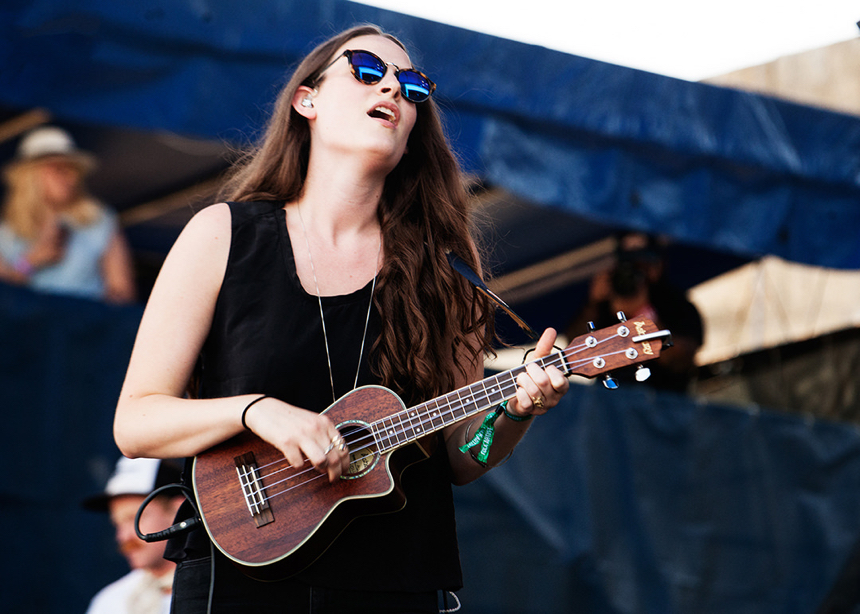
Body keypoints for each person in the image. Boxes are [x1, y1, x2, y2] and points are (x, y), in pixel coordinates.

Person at [113, 24, 570, 613]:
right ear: (308, 100)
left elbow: (461, 457)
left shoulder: (448, 276)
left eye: (412, 86)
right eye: (367, 71)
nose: (395, 92)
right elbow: (136, 423)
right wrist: (257, 411)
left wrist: (514, 410)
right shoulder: (222, 235)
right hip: (240, 581)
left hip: (392, 584)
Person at [0, 125, 136, 303]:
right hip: (30, 326)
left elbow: (122, 291)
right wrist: (33, 260)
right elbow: (5, 296)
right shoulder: (5, 231)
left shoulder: (99, 219)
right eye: (59, 169)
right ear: (31, 176)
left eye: (73, 170)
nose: (70, 178)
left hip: (87, 324)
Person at [566, 232, 704, 392]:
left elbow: (681, 361)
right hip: (611, 403)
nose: (632, 272)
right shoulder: (606, 302)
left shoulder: (676, 304)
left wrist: (643, 315)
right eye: (627, 263)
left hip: (664, 402)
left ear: (658, 266)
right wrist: (594, 303)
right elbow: (575, 350)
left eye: (641, 265)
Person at [83, 457, 185, 614]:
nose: (123, 537)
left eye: (134, 519)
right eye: (117, 523)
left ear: (179, 511)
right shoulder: (111, 603)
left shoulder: (226, 590)